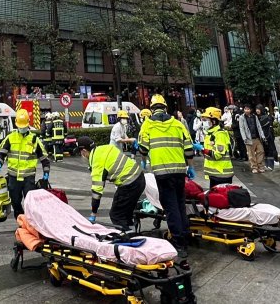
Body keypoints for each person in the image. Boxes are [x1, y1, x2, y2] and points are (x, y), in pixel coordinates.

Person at [138, 94, 194, 257]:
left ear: (152, 109)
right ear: (165, 108)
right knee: (180, 204)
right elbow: (189, 148)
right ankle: (185, 235)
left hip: (162, 173)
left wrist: (144, 161)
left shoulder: (147, 125)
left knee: (170, 208)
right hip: (179, 171)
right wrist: (190, 167)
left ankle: (179, 243)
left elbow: (142, 149)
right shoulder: (178, 124)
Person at [76, 136, 145, 231]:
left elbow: (97, 191)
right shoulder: (105, 148)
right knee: (126, 213)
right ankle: (132, 233)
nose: (82, 155)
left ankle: (128, 236)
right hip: (139, 177)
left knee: (116, 214)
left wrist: (93, 213)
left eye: (81, 152)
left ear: (83, 151)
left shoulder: (96, 161)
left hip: (129, 184)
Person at [0, 109, 51, 218]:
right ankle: (20, 219)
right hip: (13, 177)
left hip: (28, 178)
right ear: (16, 124)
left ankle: (29, 221)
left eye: (24, 126)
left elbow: (44, 159)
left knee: (29, 202)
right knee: (15, 202)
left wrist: (46, 172)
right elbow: (1, 154)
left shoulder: (34, 140)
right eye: (20, 126)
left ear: (28, 124)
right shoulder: (10, 138)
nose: (22, 128)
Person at [199, 107, 234, 187]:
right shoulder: (210, 133)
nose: (204, 122)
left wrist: (203, 149)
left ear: (214, 121)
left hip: (221, 174)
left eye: (206, 120)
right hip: (215, 174)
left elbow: (217, 155)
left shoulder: (220, 134)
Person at [238, 105, 267, 173]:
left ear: (251, 110)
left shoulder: (254, 116)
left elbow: (259, 126)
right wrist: (244, 138)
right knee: (251, 154)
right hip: (249, 138)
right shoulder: (242, 117)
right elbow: (241, 128)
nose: (246, 110)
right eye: (245, 109)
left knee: (261, 151)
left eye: (248, 109)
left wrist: (262, 136)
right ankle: (254, 167)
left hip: (257, 137)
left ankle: (260, 166)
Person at [257, 105, 277, 171]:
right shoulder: (257, 118)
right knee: (264, 151)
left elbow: (268, 128)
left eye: (258, 109)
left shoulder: (266, 117)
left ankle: (271, 165)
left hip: (268, 136)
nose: (257, 110)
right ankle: (266, 164)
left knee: (270, 150)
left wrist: (267, 136)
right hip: (262, 137)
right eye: (256, 109)